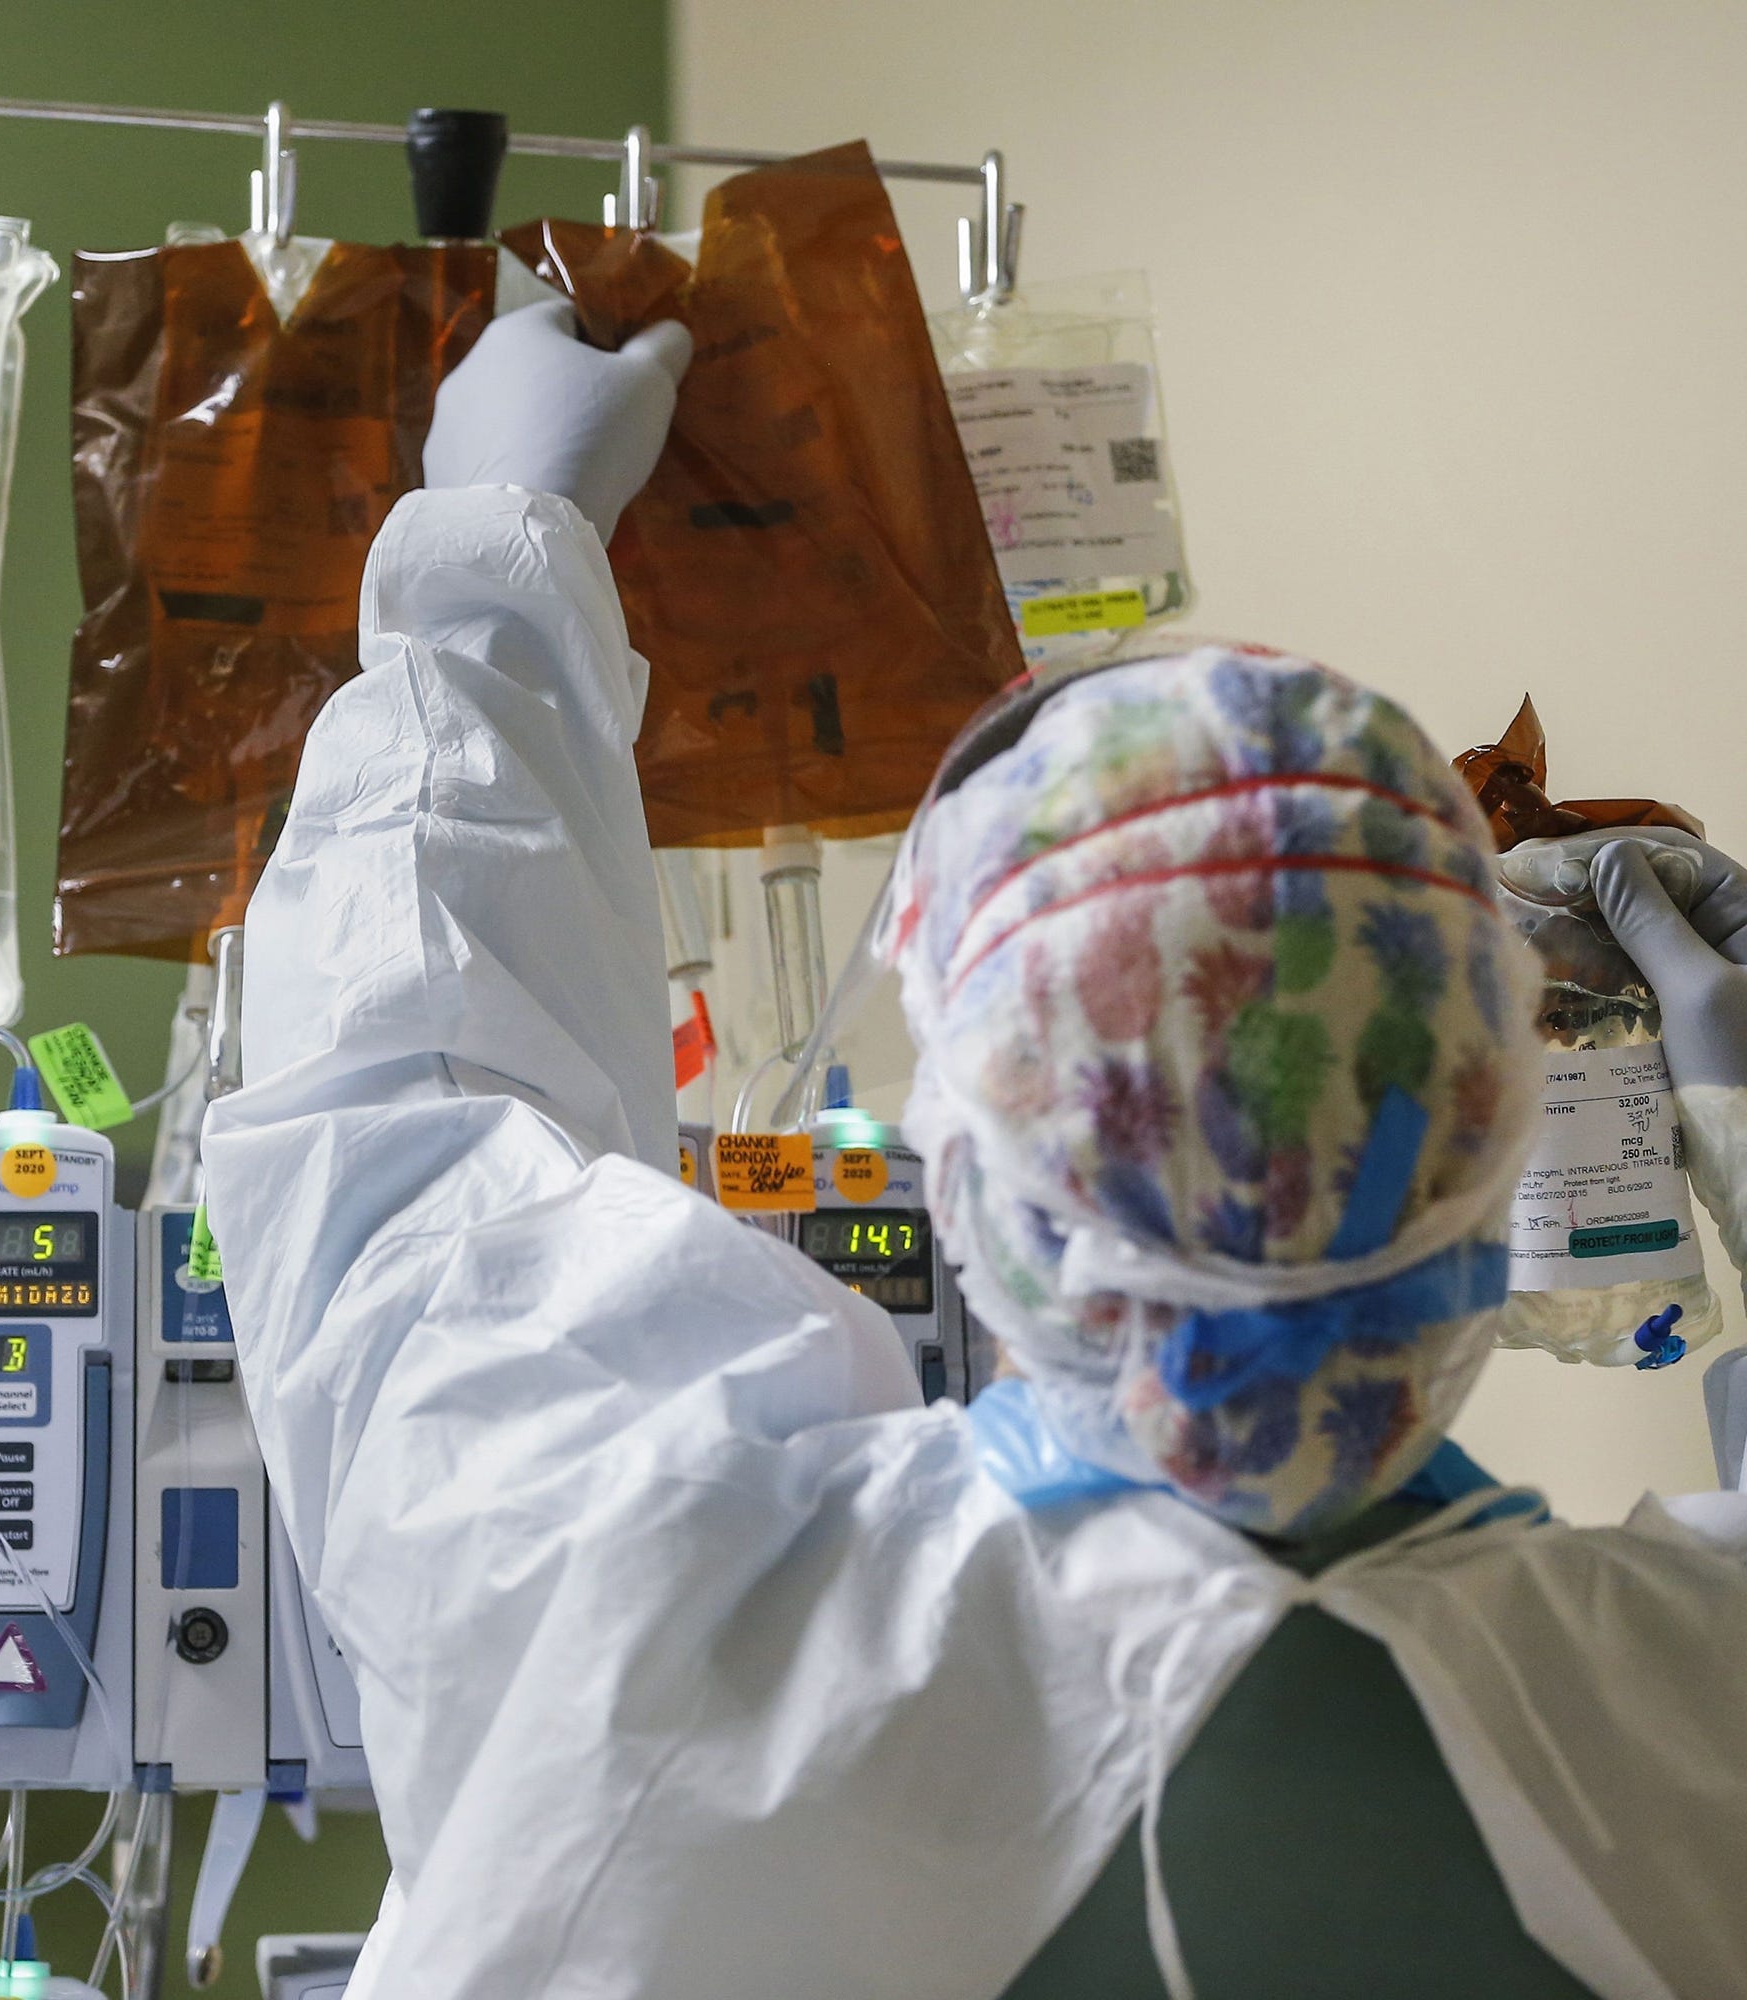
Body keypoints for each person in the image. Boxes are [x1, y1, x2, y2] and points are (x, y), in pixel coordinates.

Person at [201, 300, 1747, 2000]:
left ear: (978, 1179)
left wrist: (496, 556)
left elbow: (411, 1113)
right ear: (1493, 1160)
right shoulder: (1690, 1730)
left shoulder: (650, 1625)